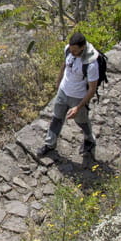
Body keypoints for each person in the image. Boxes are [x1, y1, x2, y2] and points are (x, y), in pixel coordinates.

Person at [36, 32, 98, 162]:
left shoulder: (91, 64)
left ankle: (89, 139)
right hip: (63, 91)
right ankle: (50, 144)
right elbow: (64, 65)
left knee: (81, 121)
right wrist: (58, 82)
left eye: (75, 50)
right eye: (71, 49)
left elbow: (92, 89)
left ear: (82, 47)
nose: (72, 52)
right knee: (56, 118)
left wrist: (78, 107)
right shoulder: (68, 50)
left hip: (78, 97)